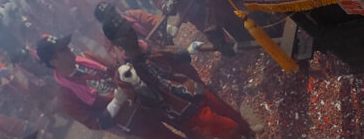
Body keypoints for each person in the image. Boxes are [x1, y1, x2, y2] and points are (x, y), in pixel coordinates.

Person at [100, 14, 258, 139]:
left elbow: (165, 56)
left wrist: (187, 51)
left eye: (130, 30)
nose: (131, 36)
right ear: (116, 42)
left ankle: (248, 131)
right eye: (125, 35)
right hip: (181, 110)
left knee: (223, 109)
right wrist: (138, 85)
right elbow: (147, 106)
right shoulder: (123, 72)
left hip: (190, 88)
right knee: (226, 128)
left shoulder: (143, 45)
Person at [35, 34, 179, 138]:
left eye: (66, 46)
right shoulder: (65, 97)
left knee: (182, 120)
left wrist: (125, 72)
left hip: (143, 99)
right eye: (63, 50)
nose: (69, 50)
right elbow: (95, 123)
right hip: (132, 122)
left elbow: (113, 68)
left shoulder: (87, 57)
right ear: (54, 62)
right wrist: (116, 102)